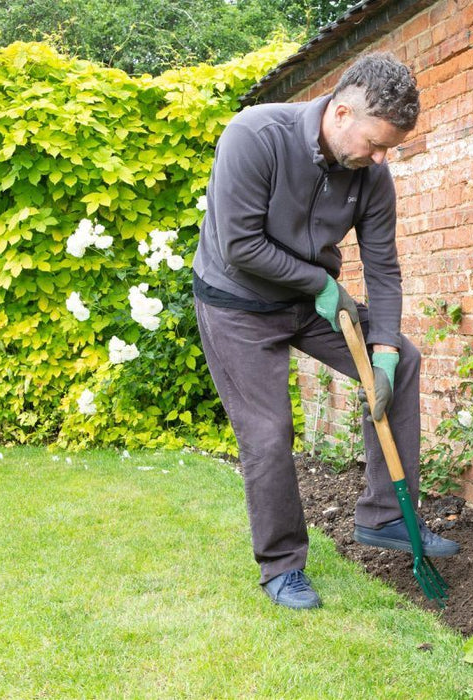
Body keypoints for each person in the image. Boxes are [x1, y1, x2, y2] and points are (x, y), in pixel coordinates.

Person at [192, 52, 458, 610]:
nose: (381, 157)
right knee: (268, 432)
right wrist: (317, 281)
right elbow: (238, 247)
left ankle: (386, 515)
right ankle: (282, 565)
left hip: (312, 302)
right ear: (340, 115)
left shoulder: (371, 176)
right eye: (376, 143)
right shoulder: (255, 135)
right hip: (237, 302)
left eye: (389, 148)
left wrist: (382, 352)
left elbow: (383, 267)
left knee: (403, 361)